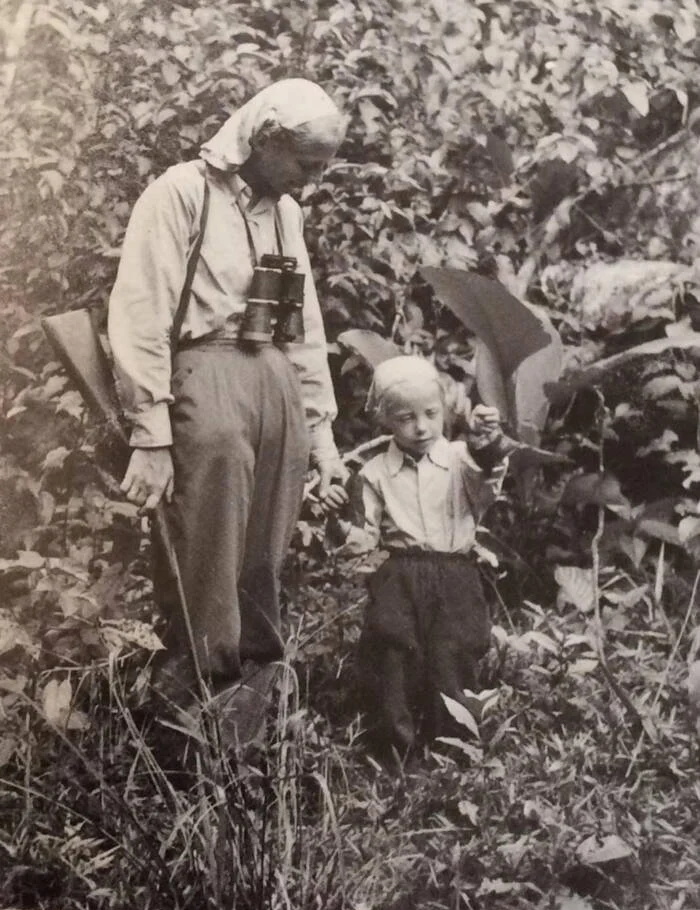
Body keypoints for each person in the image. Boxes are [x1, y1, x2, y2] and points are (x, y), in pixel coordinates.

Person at [108, 79, 349, 735]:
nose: (313, 180)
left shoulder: (285, 213)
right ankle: (191, 728)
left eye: (322, 167)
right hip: (204, 374)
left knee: (262, 563)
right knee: (206, 560)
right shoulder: (182, 194)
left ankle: (251, 729)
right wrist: (151, 434)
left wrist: (321, 434)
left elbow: (304, 324)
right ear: (266, 140)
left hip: (272, 379)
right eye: (306, 164)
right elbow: (140, 314)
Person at [327, 355, 504, 758]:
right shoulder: (374, 473)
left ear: (445, 409)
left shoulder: (463, 460)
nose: (421, 427)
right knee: (391, 649)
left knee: (454, 650)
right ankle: (393, 748)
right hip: (399, 573)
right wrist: (337, 520)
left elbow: (487, 485)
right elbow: (363, 539)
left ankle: (454, 746)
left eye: (430, 413)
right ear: (385, 419)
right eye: (406, 417)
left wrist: (485, 442)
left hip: (455, 572)